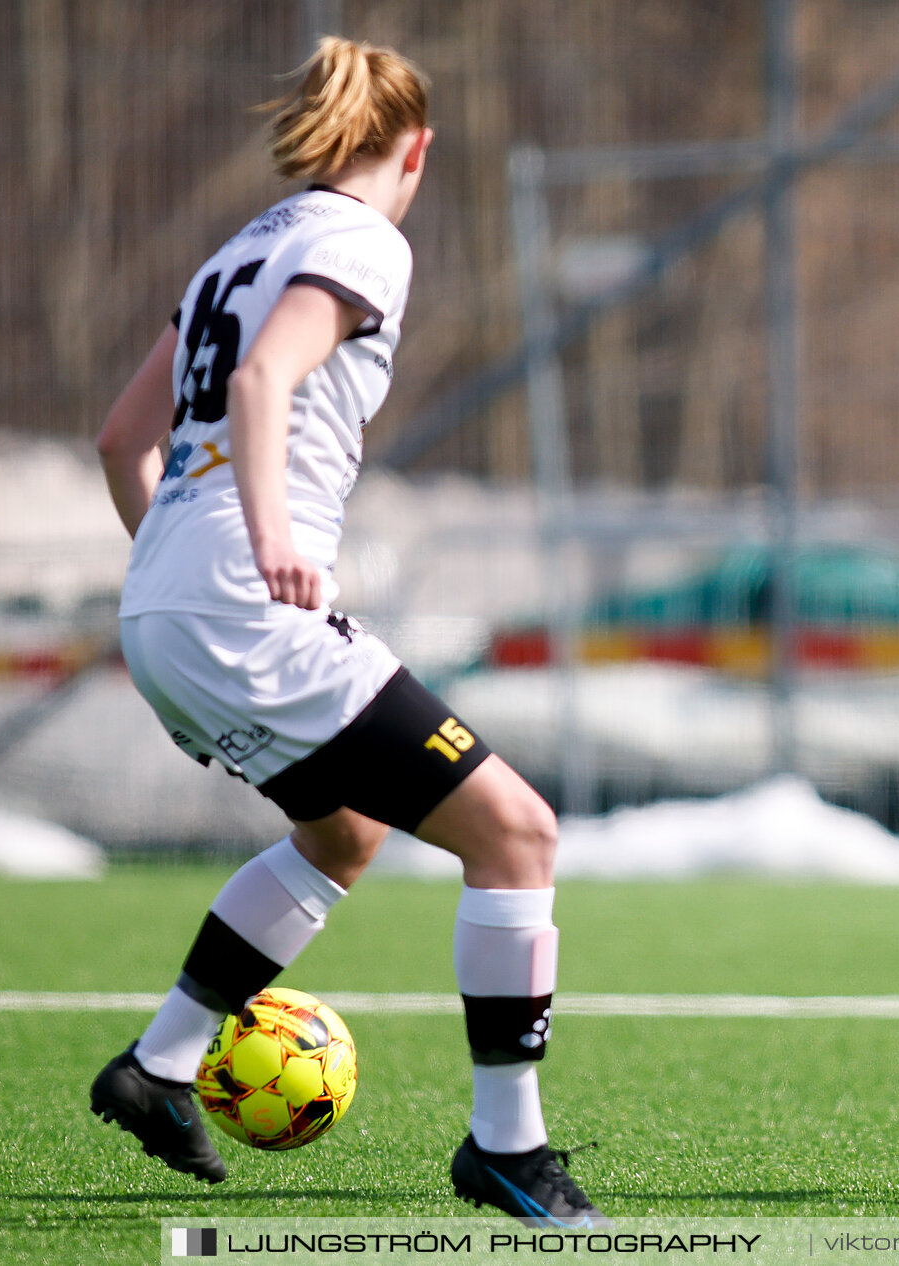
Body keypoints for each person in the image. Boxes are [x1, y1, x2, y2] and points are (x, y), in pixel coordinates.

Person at [88, 37, 605, 1228]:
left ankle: (161, 1067)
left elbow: (125, 439)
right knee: (518, 835)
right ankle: (507, 1150)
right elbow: (268, 381)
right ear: (413, 147)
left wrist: (180, 583)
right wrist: (269, 542)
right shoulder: (363, 238)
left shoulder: (240, 249)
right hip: (245, 600)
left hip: (162, 603)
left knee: (344, 835)